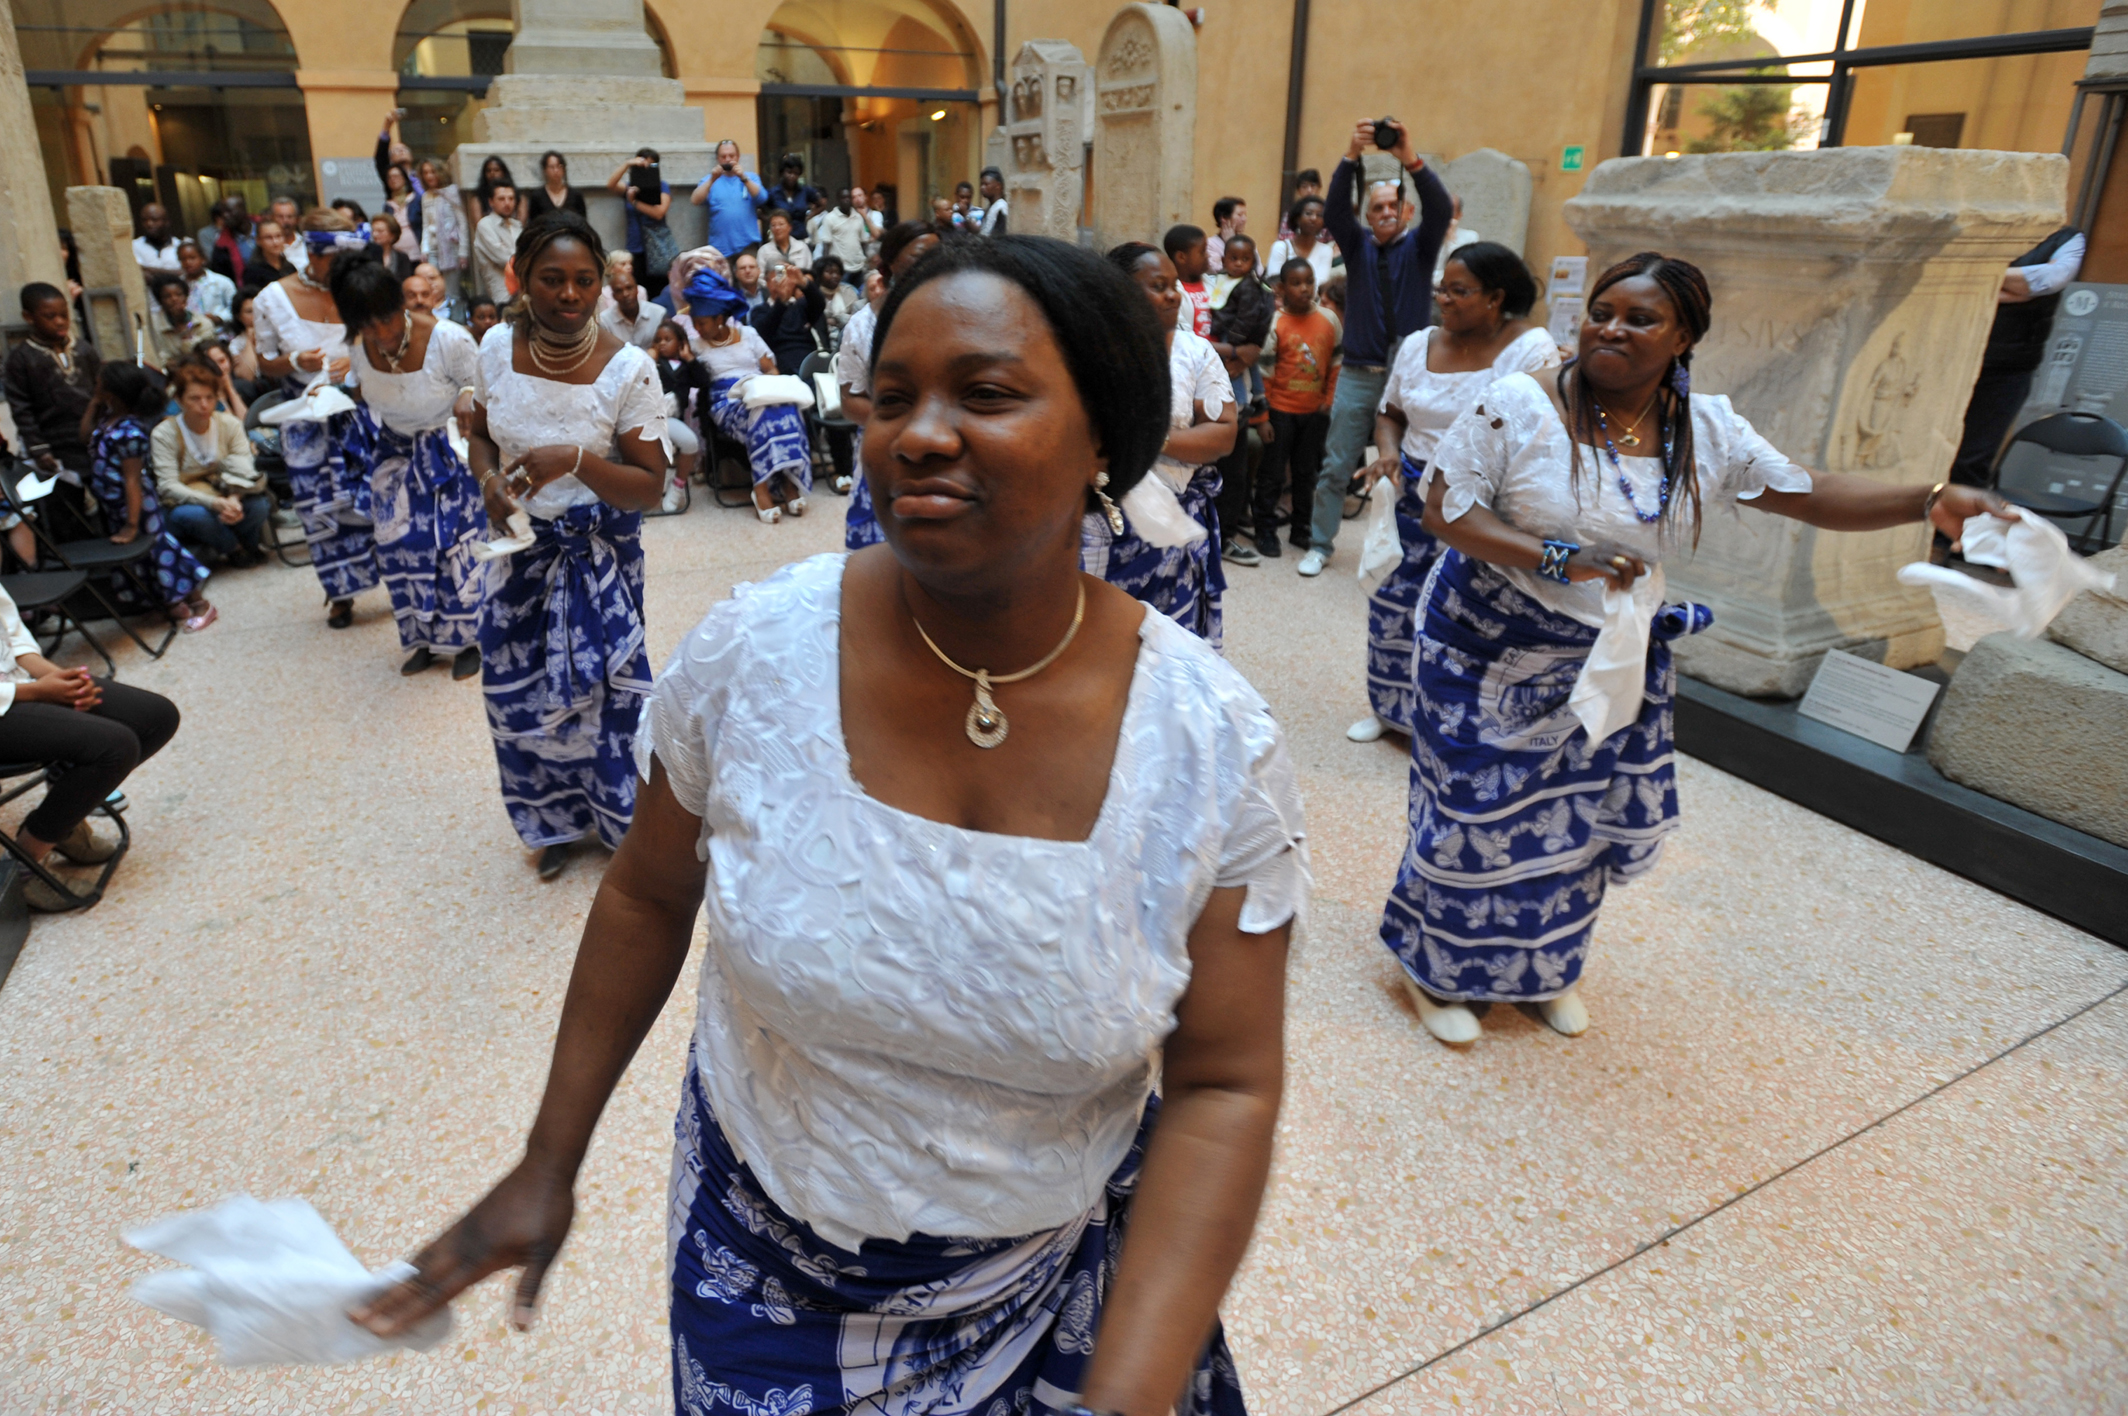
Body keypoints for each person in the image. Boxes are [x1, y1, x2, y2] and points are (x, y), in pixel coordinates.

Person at [351, 234, 1302, 1416]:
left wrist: (1127, 1391)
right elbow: (648, 893)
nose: (918, 432)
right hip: (765, 1285)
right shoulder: (756, 654)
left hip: (1065, 1288)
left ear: (1107, 433)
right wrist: (549, 1159)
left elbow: (1223, 1083)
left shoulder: (1209, 741)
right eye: (892, 397)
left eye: (988, 394)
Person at [1385, 251, 2012, 1045]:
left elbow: (1807, 491)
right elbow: (1445, 511)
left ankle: (1540, 970)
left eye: (1640, 318)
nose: (1612, 328)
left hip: (1606, 654)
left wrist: (1927, 499)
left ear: (1683, 336)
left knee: (1573, 823)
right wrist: (1559, 557)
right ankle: (1433, 966)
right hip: (1483, 645)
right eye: (1603, 311)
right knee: (1471, 814)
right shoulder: (1517, 403)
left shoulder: (1706, 430)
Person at [464, 211, 667, 879]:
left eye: (585, 280)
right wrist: (490, 478)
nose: (571, 294)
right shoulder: (493, 347)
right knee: (515, 691)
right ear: (519, 278)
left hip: (598, 556)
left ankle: (619, 825)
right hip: (520, 553)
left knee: (609, 699)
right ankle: (547, 820)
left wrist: (577, 459)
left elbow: (648, 487)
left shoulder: (629, 368)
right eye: (552, 279)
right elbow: (482, 434)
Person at [1347, 242, 1554, 744]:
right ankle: (1389, 706)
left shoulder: (1530, 350)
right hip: (1413, 498)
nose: (1444, 299)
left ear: (1495, 297)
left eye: (1459, 291)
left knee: (1465, 618)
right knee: (1393, 606)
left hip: (1483, 509)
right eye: (1443, 288)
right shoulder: (1419, 344)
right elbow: (1390, 414)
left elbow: (1536, 436)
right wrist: (1388, 452)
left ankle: (1446, 723)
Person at [1297, 117, 1453, 578]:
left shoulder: (1421, 249)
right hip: (1359, 375)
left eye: (1393, 206)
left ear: (1404, 212)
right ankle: (1320, 545)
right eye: (1377, 207)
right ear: (1369, 216)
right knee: (1337, 464)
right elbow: (1335, 214)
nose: (1386, 212)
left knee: (1413, 464)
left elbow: (1440, 209)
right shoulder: (1359, 246)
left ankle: (1401, 548)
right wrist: (1351, 155)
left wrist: (1411, 159)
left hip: (1408, 376)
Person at [332, 253, 488, 679]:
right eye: (368, 327)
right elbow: (363, 393)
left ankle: (470, 640)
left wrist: (468, 391)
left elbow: (487, 384)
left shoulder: (449, 339)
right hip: (395, 453)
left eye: (386, 320)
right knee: (401, 549)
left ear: (401, 304)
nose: (381, 334)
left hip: (448, 449)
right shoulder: (357, 349)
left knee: (454, 547)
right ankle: (422, 637)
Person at [0, 579, 180, 912]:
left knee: (155, 717)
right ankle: (22, 866)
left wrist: (62, 682)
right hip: (8, 700)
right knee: (114, 746)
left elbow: (11, 636)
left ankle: (60, 820)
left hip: (17, 687)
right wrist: (37, 693)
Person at [1095, 242, 1237, 647]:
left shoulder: (1196, 354)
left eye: (1174, 283)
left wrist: (1148, 438)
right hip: (1105, 525)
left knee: (1168, 650)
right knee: (1109, 644)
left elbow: (1223, 432)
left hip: (1172, 526)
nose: (1173, 294)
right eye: (1159, 285)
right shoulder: (1094, 355)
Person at [256, 208, 378, 629]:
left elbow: (383, 338)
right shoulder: (272, 297)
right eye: (335, 261)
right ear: (311, 252)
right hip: (306, 415)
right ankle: (341, 592)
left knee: (375, 498)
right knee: (319, 505)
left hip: (363, 409)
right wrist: (294, 360)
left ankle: (392, 579)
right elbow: (263, 362)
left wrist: (357, 358)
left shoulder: (359, 287)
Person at [1947, 225, 2086, 489]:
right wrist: (2017, 287)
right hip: (1950, 360)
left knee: (1971, 460)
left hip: (2007, 369)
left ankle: (1955, 531)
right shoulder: (1980, 225)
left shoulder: (2066, 238)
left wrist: (1976, 277)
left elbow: (2051, 278)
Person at [85, 361, 215, 632]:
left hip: (137, 508)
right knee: (143, 560)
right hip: (115, 507)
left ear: (112, 391)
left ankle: (201, 604)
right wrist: (95, 403)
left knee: (160, 553)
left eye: (99, 383)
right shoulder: (107, 420)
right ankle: (172, 603)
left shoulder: (130, 431)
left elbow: (133, 479)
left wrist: (132, 524)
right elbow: (83, 434)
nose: (94, 385)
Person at [836, 219, 939, 540]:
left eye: (938, 256)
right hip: (885, 450)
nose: (932, 267)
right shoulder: (862, 326)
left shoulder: (962, 319)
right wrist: (903, 425)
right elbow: (850, 402)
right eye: (918, 258)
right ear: (891, 265)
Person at [687, 266, 811, 523]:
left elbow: (770, 369)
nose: (697, 328)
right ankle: (762, 488)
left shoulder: (749, 334)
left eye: (702, 322)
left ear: (720, 318)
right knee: (759, 414)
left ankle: (788, 482)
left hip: (757, 388)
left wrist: (774, 392)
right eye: (695, 323)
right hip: (726, 400)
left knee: (786, 409)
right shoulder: (695, 345)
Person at [1252, 258, 1340, 559]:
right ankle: (1264, 529)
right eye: (1297, 283)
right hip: (1280, 413)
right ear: (1282, 288)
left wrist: (1328, 400)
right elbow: (1263, 374)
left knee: (1306, 474)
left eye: (1310, 282)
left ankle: (1301, 529)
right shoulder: (1276, 323)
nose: (1305, 289)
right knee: (1273, 474)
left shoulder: (1329, 320)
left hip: (1314, 414)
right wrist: (1262, 417)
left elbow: (1336, 364)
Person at [153, 360, 272, 567]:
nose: (204, 405)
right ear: (179, 400)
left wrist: (234, 499)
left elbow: (245, 467)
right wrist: (214, 503)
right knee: (193, 516)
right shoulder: (164, 433)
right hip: (189, 500)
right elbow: (167, 486)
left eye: (209, 397)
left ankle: (239, 544)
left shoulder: (229, 424)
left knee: (260, 506)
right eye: (195, 399)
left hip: (228, 489)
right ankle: (236, 549)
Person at [1208, 235, 1275, 568]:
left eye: (1244, 259)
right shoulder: (1219, 282)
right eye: (1232, 258)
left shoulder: (1250, 288)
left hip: (1232, 348)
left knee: (1237, 406)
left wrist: (1234, 350)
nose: (1237, 264)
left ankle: (1227, 530)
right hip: (1222, 351)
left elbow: (1248, 324)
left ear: (1253, 262)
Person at [6, 282, 102, 496]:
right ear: (29, 317)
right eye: (50, 316)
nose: (60, 322)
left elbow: (101, 390)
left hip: (92, 437)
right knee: (72, 501)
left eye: (63, 315)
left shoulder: (84, 349)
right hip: (55, 443)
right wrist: (39, 448)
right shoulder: (21, 358)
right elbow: (21, 408)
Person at [607, 150, 677, 301]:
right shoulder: (630, 187)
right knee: (636, 291)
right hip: (635, 248)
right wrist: (627, 164)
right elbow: (611, 184)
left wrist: (634, 202)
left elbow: (659, 212)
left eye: (650, 165)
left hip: (657, 249)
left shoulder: (662, 186)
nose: (646, 168)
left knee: (658, 291)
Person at [690, 138, 767, 256]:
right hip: (720, 248)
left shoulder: (751, 177)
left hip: (748, 245)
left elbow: (762, 198)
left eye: (731, 156)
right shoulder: (709, 179)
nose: (728, 160)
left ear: (738, 157)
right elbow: (695, 200)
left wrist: (743, 178)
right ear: (718, 159)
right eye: (723, 156)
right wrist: (712, 180)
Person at [749, 262, 824, 375]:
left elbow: (819, 304)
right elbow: (764, 331)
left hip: (809, 359)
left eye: (785, 278)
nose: (781, 283)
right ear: (767, 282)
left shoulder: (801, 305)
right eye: (776, 278)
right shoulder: (759, 311)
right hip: (780, 362)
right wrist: (781, 303)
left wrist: (804, 283)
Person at [414, 159, 468, 306]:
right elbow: (426, 224)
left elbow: (462, 223)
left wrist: (463, 252)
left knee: (451, 292)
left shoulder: (452, 192)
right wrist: (424, 249)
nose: (429, 176)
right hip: (432, 247)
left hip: (451, 247)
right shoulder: (426, 196)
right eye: (425, 173)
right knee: (431, 288)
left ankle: (454, 322)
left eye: (432, 171)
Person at [1266, 195, 1338, 293]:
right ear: (1297, 218)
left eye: (1319, 215)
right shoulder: (1280, 247)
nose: (1313, 218)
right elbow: (1274, 283)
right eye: (1308, 213)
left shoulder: (1326, 251)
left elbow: (1320, 286)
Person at [149, 273, 218, 364]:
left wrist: (187, 336)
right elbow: (159, 358)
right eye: (167, 296)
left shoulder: (203, 323)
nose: (174, 299)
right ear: (160, 301)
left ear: (186, 297)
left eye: (179, 294)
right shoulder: (154, 325)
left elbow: (207, 356)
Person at [472, 184, 522, 304]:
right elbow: (504, 259)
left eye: (511, 198)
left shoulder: (517, 225)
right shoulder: (485, 225)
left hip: (521, 287)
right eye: (501, 199)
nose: (507, 203)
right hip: (502, 291)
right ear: (491, 202)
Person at [1164, 224, 1213, 338]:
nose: (1207, 255)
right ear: (1181, 257)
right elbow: (1186, 340)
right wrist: (1232, 350)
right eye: (1202, 252)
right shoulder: (1173, 295)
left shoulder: (1211, 283)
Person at [598, 268, 664, 349]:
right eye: (619, 291)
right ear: (613, 296)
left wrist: (655, 352)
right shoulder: (605, 321)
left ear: (637, 290)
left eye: (629, 288)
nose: (625, 294)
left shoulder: (658, 314)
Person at [175, 241, 236, 328]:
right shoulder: (178, 285)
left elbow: (235, 308)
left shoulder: (222, 282)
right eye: (183, 259)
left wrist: (219, 318)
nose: (188, 262)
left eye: (192, 258)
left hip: (219, 331)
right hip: (191, 332)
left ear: (203, 259)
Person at [762, 152, 819, 240]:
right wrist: (772, 221)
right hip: (778, 239)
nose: (792, 176)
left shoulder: (805, 191)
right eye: (789, 172)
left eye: (796, 173)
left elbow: (821, 203)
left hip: (801, 238)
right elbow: (759, 210)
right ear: (782, 173)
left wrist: (809, 217)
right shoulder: (773, 193)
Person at [810, 187, 869, 269]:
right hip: (840, 267)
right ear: (838, 200)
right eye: (843, 198)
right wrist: (827, 265)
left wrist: (865, 259)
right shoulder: (830, 218)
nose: (846, 200)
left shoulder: (858, 217)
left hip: (859, 265)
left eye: (849, 197)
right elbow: (826, 245)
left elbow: (864, 242)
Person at [521, 151, 587, 224]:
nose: (556, 170)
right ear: (545, 170)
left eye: (559, 166)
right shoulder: (537, 196)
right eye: (552, 167)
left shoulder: (575, 195)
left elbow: (583, 223)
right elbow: (533, 225)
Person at [205, 197, 254, 288]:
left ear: (243, 210)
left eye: (229, 211)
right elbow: (222, 277)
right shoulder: (221, 245)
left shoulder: (265, 228)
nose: (225, 216)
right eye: (222, 213)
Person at [379, 163, 422, 265]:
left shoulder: (417, 199)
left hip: (419, 254)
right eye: (389, 177)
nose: (393, 179)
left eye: (396, 176)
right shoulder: (388, 205)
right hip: (397, 257)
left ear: (404, 178)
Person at [1432, 195, 1480, 284]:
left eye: (1450, 209)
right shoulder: (1425, 235)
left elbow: (1462, 269)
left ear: (1459, 215)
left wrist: (1451, 238)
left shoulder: (1470, 237)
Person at [469, 154, 516, 239]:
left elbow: (520, 225)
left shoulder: (517, 196)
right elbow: (479, 228)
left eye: (496, 170)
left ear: (503, 172)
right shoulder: (477, 199)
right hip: (490, 240)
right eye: (488, 171)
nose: (492, 174)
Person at [755, 208, 812, 276]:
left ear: (790, 227)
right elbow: (760, 276)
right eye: (773, 225)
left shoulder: (802, 248)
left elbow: (809, 274)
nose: (777, 228)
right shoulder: (764, 251)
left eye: (781, 224)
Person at [225, 289, 262, 389]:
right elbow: (247, 377)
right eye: (249, 311)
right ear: (239, 316)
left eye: (258, 309)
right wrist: (250, 340)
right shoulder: (236, 344)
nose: (256, 315)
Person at [816, 253, 859, 334]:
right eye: (829, 272)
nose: (835, 276)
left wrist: (833, 321)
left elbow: (856, 319)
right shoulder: (814, 293)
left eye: (837, 272)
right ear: (820, 275)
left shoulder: (848, 291)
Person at [1275, 169, 1323, 241]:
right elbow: (1282, 239)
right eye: (1304, 187)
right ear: (1298, 191)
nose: (1309, 190)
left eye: (1313, 186)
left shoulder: (1326, 212)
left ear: (1319, 188)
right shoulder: (1290, 214)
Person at [132, 203, 181, 273]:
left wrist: (147, 269)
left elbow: (186, 274)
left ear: (167, 222)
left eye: (154, 220)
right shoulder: (133, 246)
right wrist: (175, 273)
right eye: (144, 220)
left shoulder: (180, 246)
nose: (149, 224)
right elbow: (138, 274)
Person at [367, 212, 416, 281]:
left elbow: (405, 280)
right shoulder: (366, 255)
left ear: (392, 235)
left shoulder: (402, 257)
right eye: (373, 231)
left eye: (380, 231)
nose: (375, 234)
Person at [249, 218, 299, 286]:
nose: (275, 242)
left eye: (278, 236)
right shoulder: (253, 271)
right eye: (268, 237)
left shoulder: (290, 268)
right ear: (258, 240)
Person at [1206, 196, 1249, 270]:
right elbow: (1215, 269)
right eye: (1239, 215)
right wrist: (1230, 244)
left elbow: (1258, 270)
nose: (1244, 219)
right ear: (1224, 218)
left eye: (1245, 215)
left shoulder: (1247, 243)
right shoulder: (1209, 244)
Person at [978, 165, 1008, 235]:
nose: (982, 188)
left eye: (986, 184)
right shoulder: (992, 207)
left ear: (998, 186)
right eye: (981, 184)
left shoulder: (1001, 208)